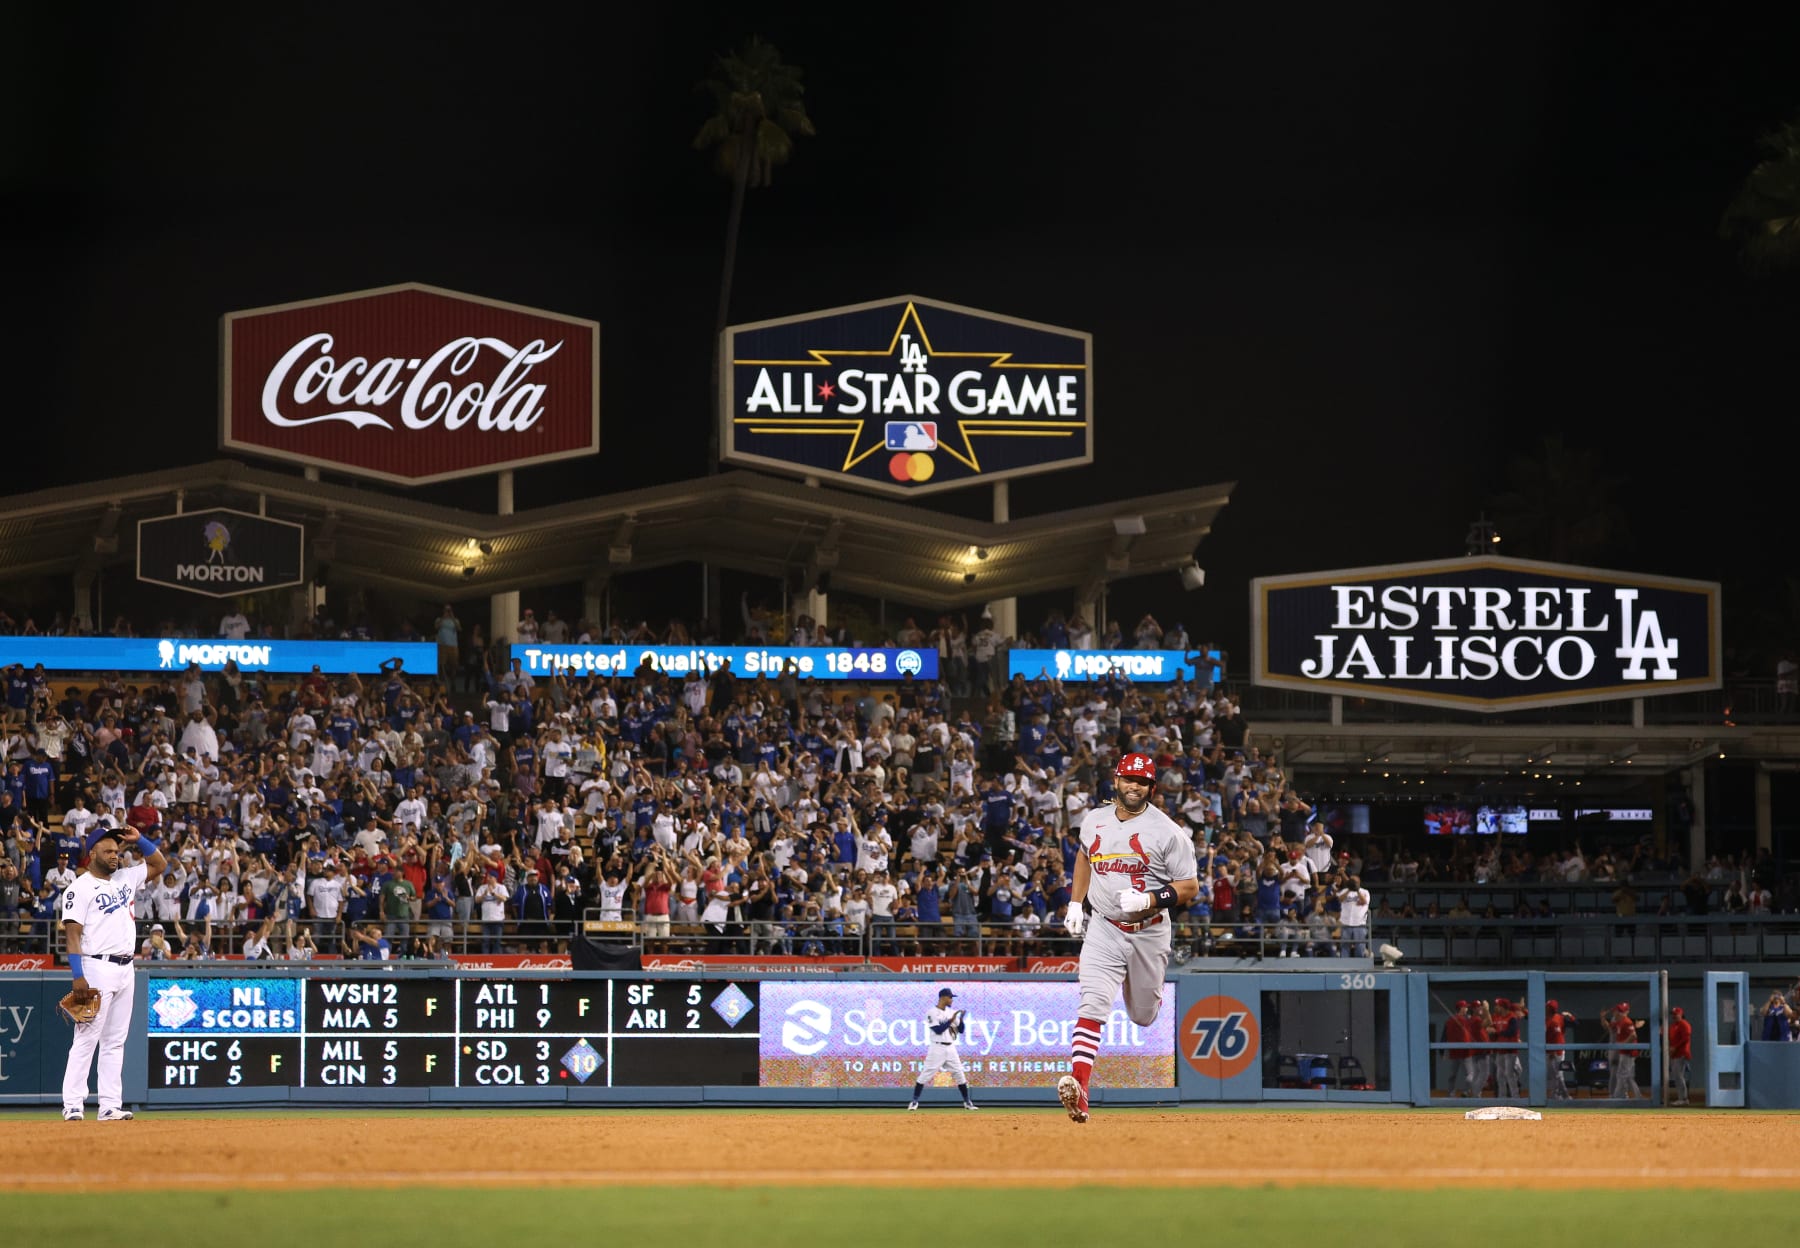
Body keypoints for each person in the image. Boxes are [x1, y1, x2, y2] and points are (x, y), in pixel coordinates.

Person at [1057, 752, 1199, 1124]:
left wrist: (1151, 899)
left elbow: (1189, 886)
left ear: (1152, 788)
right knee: (1092, 1005)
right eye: (1127, 779)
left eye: (1141, 781)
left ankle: (1133, 984)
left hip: (1148, 931)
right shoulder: (1094, 819)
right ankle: (1081, 1089)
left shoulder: (1168, 831)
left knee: (1143, 1016)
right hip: (1103, 926)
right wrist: (1075, 904)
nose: (1133, 785)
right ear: (1116, 781)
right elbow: (1085, 857)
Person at [61, 826, 168, 1120]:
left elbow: (160, 864)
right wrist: (77, 975)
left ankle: (109, 1105)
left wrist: (141, 841)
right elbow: (72, 936)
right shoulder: (78, 888)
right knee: (86, 1037)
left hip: (126, 968)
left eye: (118, 852)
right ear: (91, 852)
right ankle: (73, 1103)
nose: (115, 857)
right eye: (108, 851)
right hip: (96, 966)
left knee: (115, 1040)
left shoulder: (125, 878)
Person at [907, 987, 978, 1111]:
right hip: (937, 1047)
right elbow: (937, 1030)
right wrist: (950, 1021)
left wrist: (961, 1019)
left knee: (959, 1074)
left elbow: (961, 1030)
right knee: (925, 1075)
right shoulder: (932, 1012)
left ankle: (967, 1102)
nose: (951, 1000)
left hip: (950, 1047)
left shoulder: (951, 1012)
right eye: (950, 997)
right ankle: (914, 1101)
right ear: (943, 997)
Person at [1604, 1001, 1645, 1099]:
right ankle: (1638, 1098)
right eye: (1617, 1011)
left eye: (1620, 1011)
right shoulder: (1619, 1021)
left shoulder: (1627, 1021)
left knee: (1621, 1075)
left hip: (1628, 1053)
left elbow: (1634, 1035)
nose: (1617, 1013)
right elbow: (1609, 1027)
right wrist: (1602, 1017)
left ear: (1625, 1012)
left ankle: (1617, 1097)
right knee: (1628, 1077)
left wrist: (1623, 1044)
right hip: (1624, 1052)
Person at [1544, 999, 1574, 1101]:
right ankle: (1564, 1096)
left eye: (1548, 1007)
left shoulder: (1559, 1018)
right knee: (1555, 1075)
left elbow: (1576, 1024)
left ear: (1552, 1009)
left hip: (1558, 1051)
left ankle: (1557, 1096)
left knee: (1557, 1074)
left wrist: (1570, 1016)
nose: (1546, 1008)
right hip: (1548, 1051)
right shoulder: (1544, 1019)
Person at [1668, 1005, 1693, 1104]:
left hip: (1682, 1053)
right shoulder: (1673, 1025)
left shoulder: (1684, 1024)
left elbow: (1686, 1038)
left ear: (1681, 1014)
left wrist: (1675, 1047)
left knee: (1679, 1076)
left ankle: (1683, 1098)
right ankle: (1681, 1098)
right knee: (1676, 1076)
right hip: (1674, 1054)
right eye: (1673, 1014)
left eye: (1676, 1014)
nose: (1674, 1016)